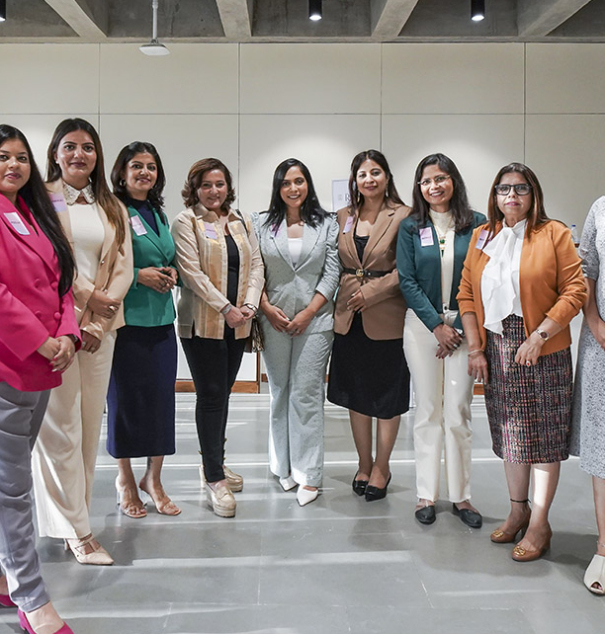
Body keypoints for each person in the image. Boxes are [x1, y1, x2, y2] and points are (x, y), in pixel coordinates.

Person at [458, 162, 586, 561]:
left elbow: (575, 290)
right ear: (494, 196)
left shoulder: (554, 233)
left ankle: (540, 523)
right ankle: (518, 510)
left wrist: (540, 335)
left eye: (520, 188)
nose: (511, 195)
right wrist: (476, 348)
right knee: (511, 435)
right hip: (497, 348)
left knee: (544, 438)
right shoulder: (482, 235)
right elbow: (466, 294)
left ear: (534, 195)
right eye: (504, 189)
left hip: (544, 347)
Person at [32, 118, 132, 565]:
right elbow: (49, 262)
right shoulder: (41, 199)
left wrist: (97, 322)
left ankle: (77, 517)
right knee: (60, 430)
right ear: (55, 153)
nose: (79, 154)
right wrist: (88, 299)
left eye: (88, 147)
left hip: (100, 331)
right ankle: (77, 531)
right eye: (70, 146)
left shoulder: (111, 205)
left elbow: (124, 265)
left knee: (90, 428)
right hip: (57, 327)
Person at [0, 124, 79, 634]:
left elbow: (62, 282)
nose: (13, 165)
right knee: (13, 489)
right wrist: (40, 339)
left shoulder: (35, 213)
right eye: (2, 157)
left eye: (20, 157)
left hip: (43, 368)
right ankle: (32, 598)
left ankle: (6, 577)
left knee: (8, 480)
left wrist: (67, 333)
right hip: (10, 363)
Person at [171, 158, 264, 518]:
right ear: (194, 188)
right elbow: (191, 273)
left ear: (229, 187)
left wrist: (250, 305)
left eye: (220, 184)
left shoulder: (240, 220)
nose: (214, 191)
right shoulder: (186, 222)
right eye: (206, 185)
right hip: (204, 323)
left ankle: (215, 461)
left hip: (239, 322)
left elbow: (256, 265)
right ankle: (214, 479)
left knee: (223, 395)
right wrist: (226, 307)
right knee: (210, 396)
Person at [397, 153, 486, 527]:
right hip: (423, 328)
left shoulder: (478, 224)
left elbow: (483, 278)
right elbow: (407, 281)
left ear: (454, 181)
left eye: (441, 178)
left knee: (458, 410)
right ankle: (426, 494)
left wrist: (461, 327)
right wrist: (436, 325)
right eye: (426, 181)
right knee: (428, 409)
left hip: (466, 327)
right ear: (419, 187)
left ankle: (462, 496)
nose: (434, 186)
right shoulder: (410, 226)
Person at [253, 159, 340, 507]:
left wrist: (308, 312)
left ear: (308, 184)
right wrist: (264, 305)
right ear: (278, 187)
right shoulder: (261, 223)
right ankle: (282, 465)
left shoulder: (327, 223)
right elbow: (254, 269)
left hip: (315, 321)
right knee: (279, 391)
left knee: (306, 394)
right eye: (286, 182)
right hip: (272, 318)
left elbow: (332, 272)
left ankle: (309, 473)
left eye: (299, 181)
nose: (293, 188)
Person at [327, 149, 411, 501]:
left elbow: (407, 268)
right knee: (356, 396)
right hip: (349, 317)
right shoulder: (343, 216)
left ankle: (382, 467)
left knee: (387, 397)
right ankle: (364, 463)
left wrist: (372, 293)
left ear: (387, 177)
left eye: (375, 172)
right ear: (355, 180)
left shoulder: (404, 215)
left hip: (387, 316)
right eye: (362, 174)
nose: (369, 179)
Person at [106, 142, 180, 518]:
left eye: (151, 167)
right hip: (127, 323)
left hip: (163, 323)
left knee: (160, 403)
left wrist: (171, 272)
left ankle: (154, 478)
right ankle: (125, 479)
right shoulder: (113, 210)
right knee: (125, 403)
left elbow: (167, 255)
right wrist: (138, 276)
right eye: (137, 166)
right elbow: (103, 263)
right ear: (122, 172)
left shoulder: (158, 211)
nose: (144, 173)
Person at [570, 196, 605, 594]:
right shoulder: (601, 208)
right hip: (602, 341)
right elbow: (587, 269)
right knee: (603, 446)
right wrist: (594, 321)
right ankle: (604, 548)